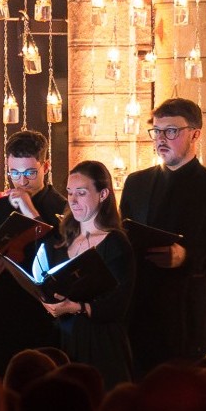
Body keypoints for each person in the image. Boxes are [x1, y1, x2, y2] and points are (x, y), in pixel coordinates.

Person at [120, 97, 206, 377]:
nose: (161, 139)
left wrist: (186, 256)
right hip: (139, 318)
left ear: (195, 134)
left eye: (171, 131)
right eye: (156, 131)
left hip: (188, 322)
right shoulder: (136, 183)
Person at [0, 130, 68, 378]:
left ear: (45, 166)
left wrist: (29, 209)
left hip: (43, 319)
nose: (21, 181)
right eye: (14, 172)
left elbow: (61, 258)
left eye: (29, 173)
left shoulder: (65, 209)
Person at [35, 161, 138, 387]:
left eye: (81, 193)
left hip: (101, 344)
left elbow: (119, 303)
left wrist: (77, 307)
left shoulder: (115, 242)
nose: (72, 200)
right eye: (70, 193)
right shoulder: (64, 241)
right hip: (65, 340)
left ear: (103, 194)